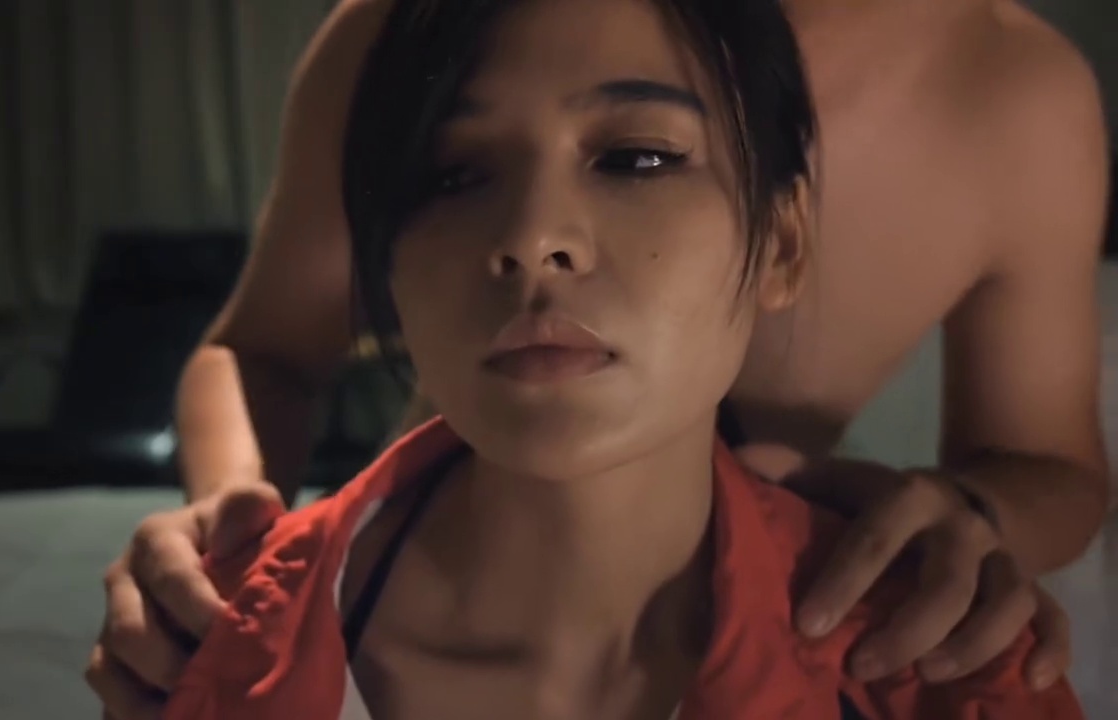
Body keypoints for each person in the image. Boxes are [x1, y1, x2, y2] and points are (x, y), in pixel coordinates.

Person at [84, 0, 1111, 716]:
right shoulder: (416, 28)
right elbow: (263, 347)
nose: (538, 235)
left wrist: (966, 517)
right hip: (433, 571)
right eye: (458, 175)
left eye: (638, 159)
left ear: (784, 241)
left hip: (782, 611)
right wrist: (235, 549)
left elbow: (1052, 464)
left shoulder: (1010, 93)